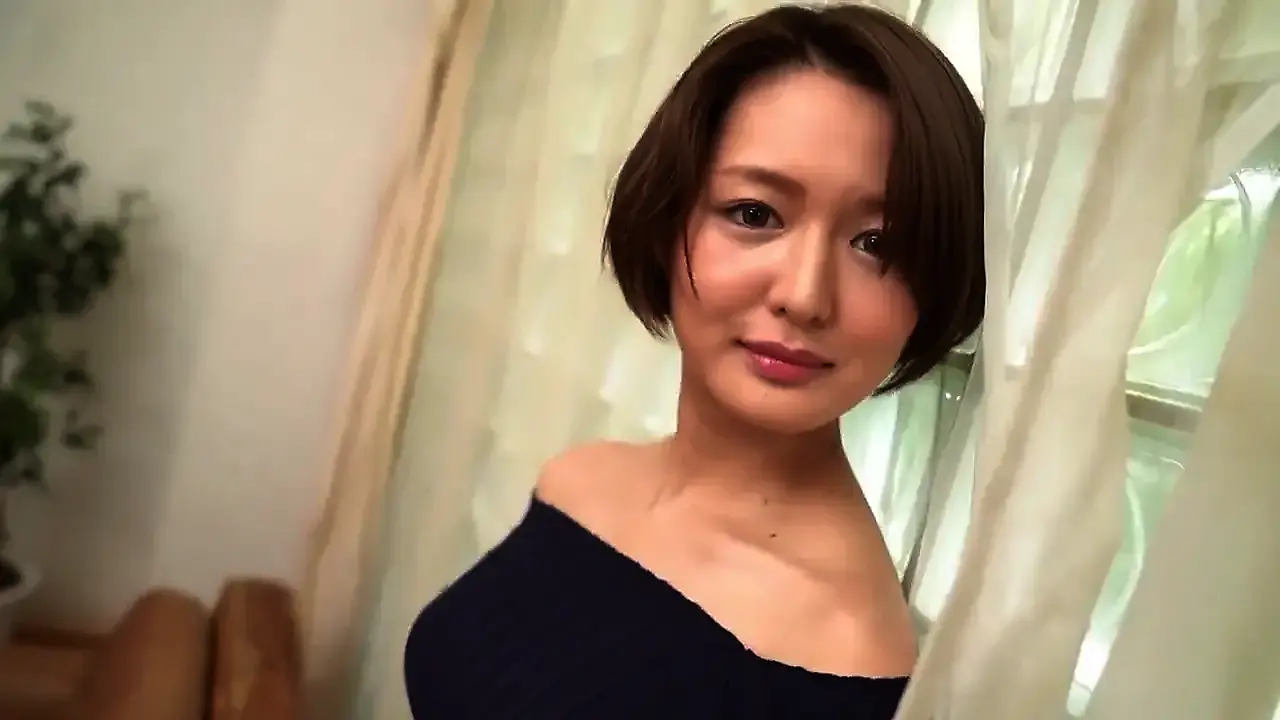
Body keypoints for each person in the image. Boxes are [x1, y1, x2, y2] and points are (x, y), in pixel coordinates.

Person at [404, 4, 983, 718]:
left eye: (877, 245)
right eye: (755, 214)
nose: (805, 296)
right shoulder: (580, 480)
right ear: (665, 217)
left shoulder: (839, 656)